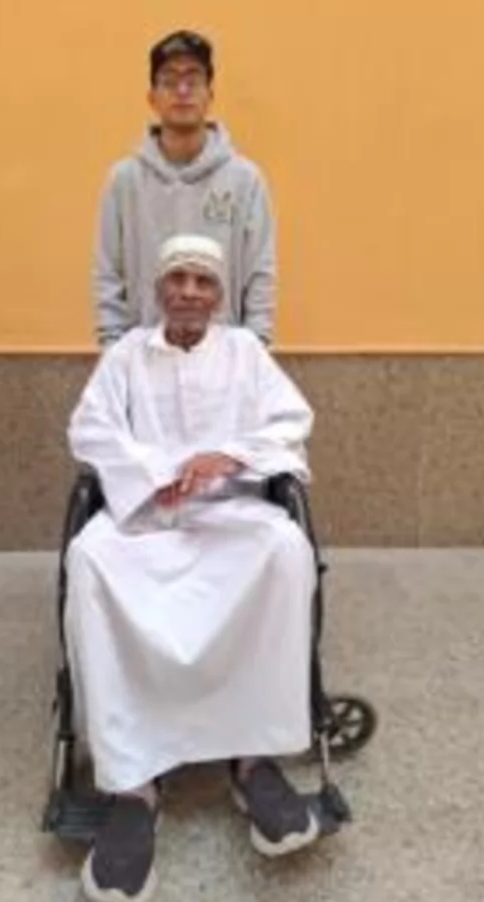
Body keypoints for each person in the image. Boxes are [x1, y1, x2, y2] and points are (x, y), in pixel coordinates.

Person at [67, 234, 318, 902]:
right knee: (89, 558)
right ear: (158, 289)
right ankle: (133, 787)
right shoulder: (126, 355)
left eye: (202, 281)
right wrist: (154, 475)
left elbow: (292, 420)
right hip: (143, 515)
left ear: (218, 294)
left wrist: (229, 456)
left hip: (228, 513)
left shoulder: (244, 353)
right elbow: (89, 431)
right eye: (176, 278)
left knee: (285, 550)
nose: (188, 291)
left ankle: (253, 759)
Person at [92, 29, 276, 349]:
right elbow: (108, 273)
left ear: (210, 94)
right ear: (152, 97)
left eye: (193, 79)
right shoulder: (124, 180)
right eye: (169, 80)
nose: (182, 90)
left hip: (223, 360)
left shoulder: (245, 180)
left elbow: (260, 273)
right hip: (144, 357)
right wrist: (115, 351)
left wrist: (253, 352)